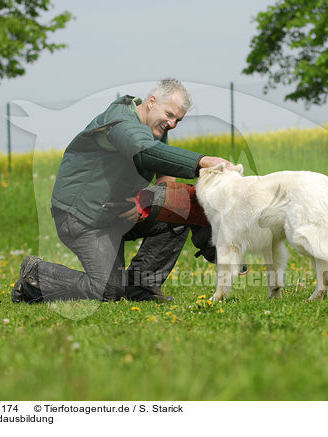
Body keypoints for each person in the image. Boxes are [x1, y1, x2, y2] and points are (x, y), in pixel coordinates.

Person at [12, 78, 232, 303]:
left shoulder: (154, 129)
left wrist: (149, 200)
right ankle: (36, 276)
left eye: (178, 120)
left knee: (177, 208)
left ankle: (141, 289)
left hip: (114, 215)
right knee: (107, 291)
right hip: (83, 218)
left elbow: (165, 176)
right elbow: (144, 152)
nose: (173, 124)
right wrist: (203, 161)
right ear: (152, 101)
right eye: (169, 115)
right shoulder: (120, 122)